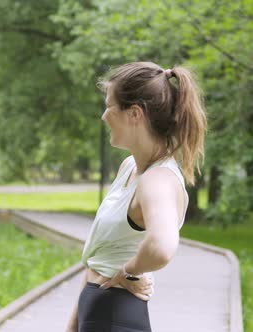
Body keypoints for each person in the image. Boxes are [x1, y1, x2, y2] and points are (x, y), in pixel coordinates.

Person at [66, 61, 207, 332]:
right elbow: (102, 258)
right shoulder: (130, 167)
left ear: (135, 114)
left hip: (114, 317)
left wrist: (130, 270)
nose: (104, 116)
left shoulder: (158, 180)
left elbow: (162, 246)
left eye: (110, 106)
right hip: (97, 312)